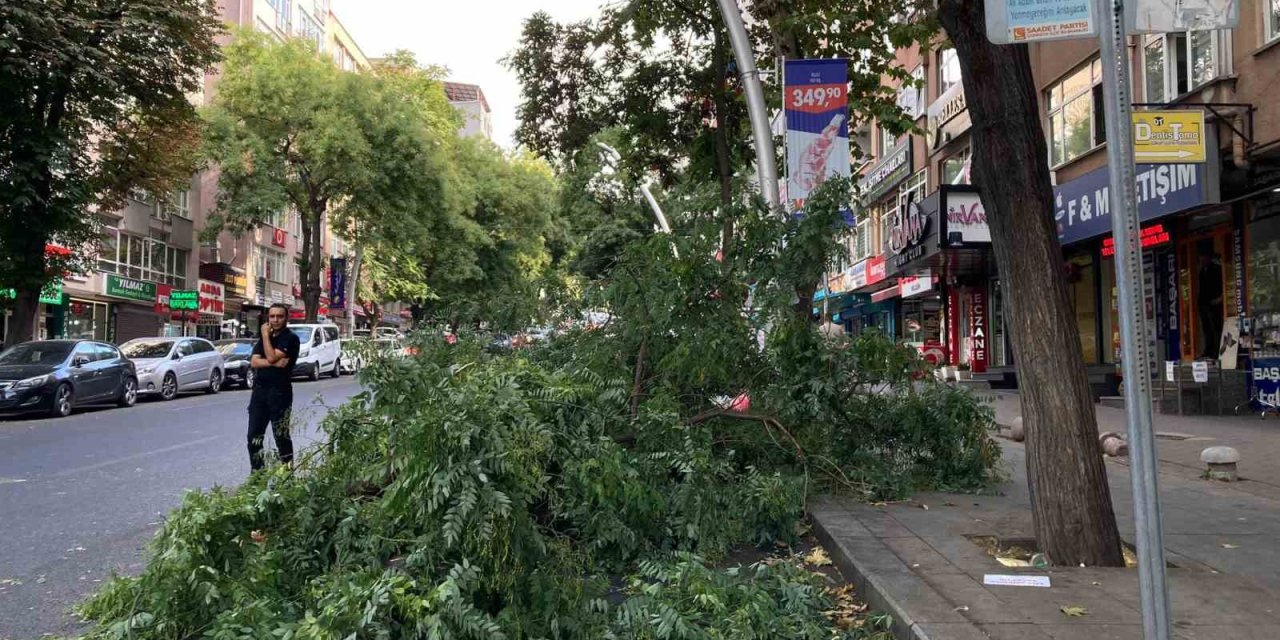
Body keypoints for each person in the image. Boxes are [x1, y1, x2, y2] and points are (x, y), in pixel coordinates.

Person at [247, 303, 301, 471]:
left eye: (279, 316)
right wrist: (274, 363)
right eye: (272, 316)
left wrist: (264, 335)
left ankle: (287, 475)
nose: (275, 320)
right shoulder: (265, 338)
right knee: (253, 437)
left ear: (286, 318)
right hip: (260, 392)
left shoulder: (290, 338)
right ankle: (258, 475)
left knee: (281, 437)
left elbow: (270, 357)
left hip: (280, 393)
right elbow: (254, 361)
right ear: (267, 318)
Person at [1196, 246, 1223, 360]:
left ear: (1208, 258)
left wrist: (1219, 299)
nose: (1201, 261)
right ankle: (1208, 350)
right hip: (1204, 304)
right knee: (1206, 327)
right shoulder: (1202, 271)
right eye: (1200, 259)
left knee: (1215, 328)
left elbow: (1223, 284)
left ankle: (1216, 352)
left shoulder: (1217, 269)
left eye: (1203, 259)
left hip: (1214, 303)